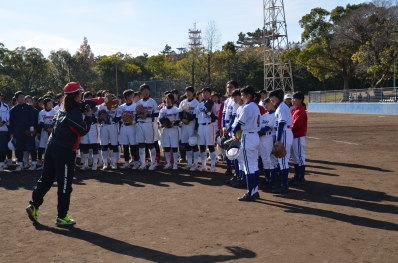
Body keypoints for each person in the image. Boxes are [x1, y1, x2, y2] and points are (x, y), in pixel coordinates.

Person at [26, 82, 93, 226]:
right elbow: (83, 130)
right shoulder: (73, 112)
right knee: (65, 184)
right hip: (64, 151)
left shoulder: (64, 107)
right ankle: (62, 216)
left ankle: (34, 205)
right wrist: (88, 116)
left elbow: (76, 109)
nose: (82, 95)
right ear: (75, 95)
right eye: (80, 93)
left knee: (46, 179)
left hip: (52, 147)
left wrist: (85, 107)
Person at [231, 85, 261, 201]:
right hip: (255, 137)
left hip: (248, 137)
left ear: (249, 95)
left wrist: (233, 133)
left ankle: (250, 193)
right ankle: (255, 191)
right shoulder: (256, 106)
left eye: (243, 95)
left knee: (249, 168)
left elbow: (239, 123)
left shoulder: (247, 107)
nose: (242, 97)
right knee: (254, 166)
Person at [269, 89, 293, 194]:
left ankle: (284, 185)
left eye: (272, 97)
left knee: (283, 161)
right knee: (281, 161)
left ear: (278, 96)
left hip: (284, 132)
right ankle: (283, 183)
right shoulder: (280, 107)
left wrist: (278, 140)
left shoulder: (282, 107)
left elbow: (281, 124)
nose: (271, 100)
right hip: (283, 132)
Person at [9, 91, 37, 171]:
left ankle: (34, 163)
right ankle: (20, 164)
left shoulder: (29, 107)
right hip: (18, 129)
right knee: (19, 147)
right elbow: (11, 122)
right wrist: (11, 133)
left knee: (31, 146)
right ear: (17, 99)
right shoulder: (14, 109)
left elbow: (32, 117)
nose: (22, 99)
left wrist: (32, 127)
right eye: (20, 97)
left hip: (28, 129)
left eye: (23, 97)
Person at [135, 83, 159, 170]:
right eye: (144, 90)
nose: (146, 92)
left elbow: (157, 113)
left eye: (147, 90)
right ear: (141, 92)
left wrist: (147, 114)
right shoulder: (138, 102)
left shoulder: (152, 101)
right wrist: (140, 115)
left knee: (151, 144)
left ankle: (153, 163)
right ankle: (143, 163)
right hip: (140, 124)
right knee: (141, 145)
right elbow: (135, 114)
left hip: (149, 124)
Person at [194, 87, 218, 172]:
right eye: (204, 93)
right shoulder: (199, 104)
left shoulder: (214, 104)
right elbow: (197, 118)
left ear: (210, 94)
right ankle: (204, 165)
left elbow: (216, 117)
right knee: (202, 146)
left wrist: (209, 113)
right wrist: (195, 128)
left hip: (209, 126)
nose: (205, 94)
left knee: (210, 146)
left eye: (207, 92)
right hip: (201, 126)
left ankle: (213, 166)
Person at [117, 89, 139, 169]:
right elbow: (119, 118)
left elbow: (137, 117)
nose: (133, 97)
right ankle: (126, 162)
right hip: (124, 127)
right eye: (132, 95)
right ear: (127, 97)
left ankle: (136, 161)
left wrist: (133, 121)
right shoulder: (121, 107)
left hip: (132, 127)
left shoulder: (135, 105)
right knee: (125, 146)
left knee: (133, 145)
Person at [178, 86, 199, 171]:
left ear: (193, 93)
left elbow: (196, 115)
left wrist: (189, 121)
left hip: (192, 124)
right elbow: (179, 113)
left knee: (193, 144)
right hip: (184, 125)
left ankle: (196, 164)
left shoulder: (196, 102)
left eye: (190, 91)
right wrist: (183, 119)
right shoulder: (182, 102)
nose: (188, 93)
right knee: (186, 144)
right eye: (187, 91)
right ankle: (189, 163)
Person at [289, 92, 308, 185]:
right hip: (293, 137)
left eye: (294, 98)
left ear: (300, 100)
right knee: (295, 157)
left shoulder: (300, 110)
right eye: (292, 98)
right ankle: (297, 176)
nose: (292, 100)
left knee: (300, 157)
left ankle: (301, 177)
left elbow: (295, 125)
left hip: (299, 137)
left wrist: (287, 129)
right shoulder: (295, 110)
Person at [97, 92, 120, 170]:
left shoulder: (116, 106)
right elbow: (98, 119)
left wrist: (109, 118)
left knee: (114, 145)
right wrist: (101, 117)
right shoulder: (101, 107)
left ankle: (114, 163)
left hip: (113, 125)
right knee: (104, 145)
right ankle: (105, 163)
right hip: (104, 126)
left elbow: (118, 118)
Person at [258, 98, 277, 189]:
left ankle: (273, 180)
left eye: (267, 103)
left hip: (269, 138)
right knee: (264, 159)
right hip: (262, 139)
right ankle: (267, 179)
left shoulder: (275, 115)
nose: (265, 105)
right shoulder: (264, 115)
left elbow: (266, 128)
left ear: (272, 103)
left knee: (271, 160)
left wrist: (255, 131)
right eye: (264, 104)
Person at [221, 80, 239, 175]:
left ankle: (237, 171)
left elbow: (234, 116)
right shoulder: (227, 101)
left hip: (233, 127)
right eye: (228, 87)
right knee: (226, 148)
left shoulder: (236, 101)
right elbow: (223, 115)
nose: (229, 89)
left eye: (231, 87)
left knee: (234, 149)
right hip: (227, 127)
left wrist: (228, 128)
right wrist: (223, 126)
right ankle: (229, 168)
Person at [159, 94, 180, 170]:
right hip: (165, 130)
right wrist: (162, 124)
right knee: (166, 147)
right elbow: (159, 120)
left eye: (169, 99)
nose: (168, 100)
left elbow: (178, 120)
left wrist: (173, 124)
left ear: (172, 100)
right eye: (167, 99)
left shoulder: (176, 109)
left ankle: (175, 163)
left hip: (173, 129)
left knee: (174, 147)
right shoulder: (162, 110)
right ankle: (168, 163)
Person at [37, 98, 55, 167]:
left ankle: (51, 161)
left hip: (53, 130)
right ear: (45, 104)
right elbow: (41, 122)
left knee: (52, 146)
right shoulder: (41, 112)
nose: (51, 104)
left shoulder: (54, 111)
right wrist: (47, 128)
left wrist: (51, 128)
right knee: (42, 146)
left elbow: (55, 120)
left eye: (51, 103)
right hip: (44, 130)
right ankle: (40, 161)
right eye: (49, 103)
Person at [0, 97, 10, 172]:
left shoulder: (6, 106)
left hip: (3, 129)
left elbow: (8, 116)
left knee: (2, 148)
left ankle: (1, 165)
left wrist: (2, 122)